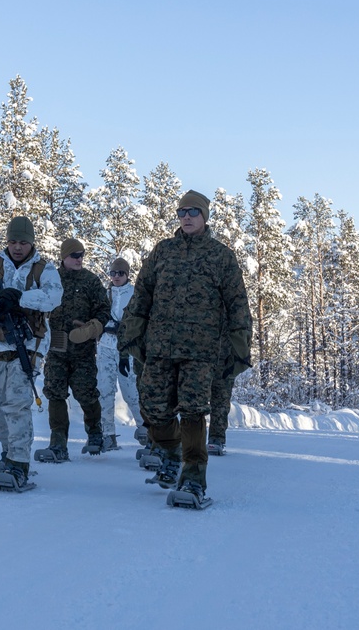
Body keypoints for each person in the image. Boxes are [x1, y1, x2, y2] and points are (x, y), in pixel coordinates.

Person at [119, 190, 252, 507]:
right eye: (182, 212)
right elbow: (141, 297)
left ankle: (193, 479)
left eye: (193, 211)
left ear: (205, 216)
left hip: (201, 351)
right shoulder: (163, 252)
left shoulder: (221, 257)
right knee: (152, 408)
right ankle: (173, 451)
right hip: (160, 348)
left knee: (193, 411)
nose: (187, 216)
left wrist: (238, 346)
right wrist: (131, 335)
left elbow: (238, 304)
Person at [0, 216, 63, 489]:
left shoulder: (44, 268)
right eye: (13, 241)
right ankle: (9, 452)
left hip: (29, 344)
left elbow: (54, 297)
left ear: (32, 242)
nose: (18, 247)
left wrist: (19, 298)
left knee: (16, 403)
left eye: (23, 242)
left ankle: (19, 463)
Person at [40, 238, 112, 461]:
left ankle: (95, 433)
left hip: (83, 350)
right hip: (57, 348)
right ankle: (58, 443)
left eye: (82, 255)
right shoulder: (52, 280)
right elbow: (39, 305)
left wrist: (93, 328)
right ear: (64, 257)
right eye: (74, 255)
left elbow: (103, 310)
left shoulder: (91, 281)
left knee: (86, 393)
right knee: (55, 393)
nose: (79, 259)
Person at [97, 257, 144, 451]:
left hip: (128, 350)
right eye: (113, 273)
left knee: (131, 392)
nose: (116, 277)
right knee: (105, 391)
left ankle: (144, 429)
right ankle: (108, 435)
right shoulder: (104, 294)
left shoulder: (134, 294)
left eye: (121, 273)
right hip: (106, 347)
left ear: (127, 275)